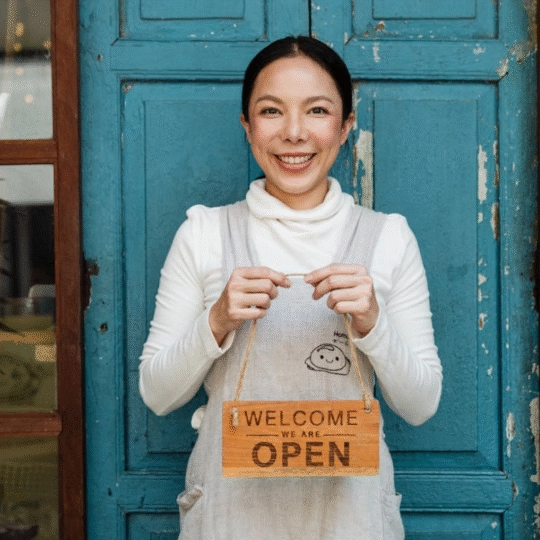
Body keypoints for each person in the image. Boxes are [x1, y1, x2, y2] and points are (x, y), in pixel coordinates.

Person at [139, 36, 442, 540]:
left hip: (352, 520)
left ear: (345, 126)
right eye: (271, 111)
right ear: (248, 126)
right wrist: (215, 322)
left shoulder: (387, 237)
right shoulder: (205, 233)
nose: (295, 133)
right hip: (230, 520)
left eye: (318, 110)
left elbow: (421, 404)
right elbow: (157, 394)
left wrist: (373, 325)